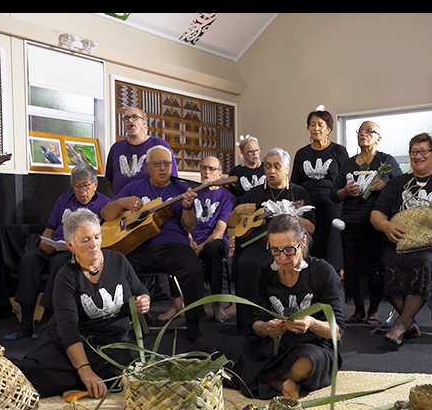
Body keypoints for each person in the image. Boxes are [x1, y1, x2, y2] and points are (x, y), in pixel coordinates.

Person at [201, 214, 344, 399]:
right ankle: (284, 384)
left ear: (303, 242)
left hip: (314, 344)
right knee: (208, 348)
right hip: (277, 346)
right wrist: (267, 328)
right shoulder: (266, 272)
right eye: (275, 250)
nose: (282, 258)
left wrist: (311, 323)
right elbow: (256, 322)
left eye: (289, 250)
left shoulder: (323, 272)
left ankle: (267, 380)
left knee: (305, 363)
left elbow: (338, 331)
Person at [12, 209, 150, 398]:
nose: (94, 245)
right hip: (74, 340)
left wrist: (144, 301)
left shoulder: (118, 261)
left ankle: (76, 375)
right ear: (70, 245)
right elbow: (68, 329)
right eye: (85, 240)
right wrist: (84, 370)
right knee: (40, 376)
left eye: (97, 237)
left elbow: (141, 290)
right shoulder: (66, 276)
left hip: (111, 343)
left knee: (117, 374)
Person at [370, 132, 432, 346]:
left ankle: (402, 323)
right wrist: (386, 225)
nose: (418, 156)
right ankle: (409, 322)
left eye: (424, 151)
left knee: (426, 263)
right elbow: (376, 214)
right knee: (384, 262)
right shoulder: (397, 184)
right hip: (401, 243)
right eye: (414, 151)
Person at [101, 145, 206, 340]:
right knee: (117, 268)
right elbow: (106, 214)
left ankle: (194, 323)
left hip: (174, 245)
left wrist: (188, 206)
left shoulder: (181, 189)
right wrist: (122, 203)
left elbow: (189, 226)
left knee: (192, 268)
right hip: (139, 246)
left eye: (167, 163)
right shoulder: (134, 187)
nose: (163, 168)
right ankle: (134, 322)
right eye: (157, 163)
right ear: (148, 166)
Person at [5, 162, 111, 340]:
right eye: (76, 187)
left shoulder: (105, 204)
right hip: (56, 245)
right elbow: (50, 227)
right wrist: (44, 241)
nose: (81, 191)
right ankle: (26, 321)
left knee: (58, 263)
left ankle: (46, 319)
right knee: (29, 259)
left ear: (95, 184)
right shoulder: (64, 199)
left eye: (85, 185)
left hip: (77, 252)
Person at [227, 147, 316, 333]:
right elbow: (232, 224)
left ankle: (283, 321)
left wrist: (291, 215)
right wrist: (236, 212)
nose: (271, 171)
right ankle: (247, 325)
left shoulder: (298, 193)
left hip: (287, 246)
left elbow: (312, 227)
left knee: (276, 261)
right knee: (246, 262)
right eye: (267, 166)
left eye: (277, 166)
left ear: (287, 169)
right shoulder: (254, 193)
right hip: (256, 244)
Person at [331, 121, 402, 325]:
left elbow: (400, 186)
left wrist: (385, 184)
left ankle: (373, 310)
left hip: (376, 224)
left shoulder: (385, 160)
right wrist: (345, 191)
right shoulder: (348, 164)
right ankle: (358, 309)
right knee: (352, 268)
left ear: (378, 138)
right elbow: (333, 194)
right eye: (361, 131)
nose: (364, 134)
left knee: (376, 267)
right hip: (350, 222)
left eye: (370, 131)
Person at [290, 106, 349, 270]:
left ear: (328, 129)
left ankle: (334, 276)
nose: (316, 128)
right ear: (307, 128)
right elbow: (295, 182)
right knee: (309, 244)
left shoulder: (338, 151)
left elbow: (347, 178)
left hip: (332, 203)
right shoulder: (301, 153)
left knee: (332, 245)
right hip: (308, 205)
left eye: (320, 125)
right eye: (312, 124)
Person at [189, 156, 235, 322]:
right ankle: (183, 305)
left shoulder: (226, 196)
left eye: (211, 169)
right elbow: (184, 222)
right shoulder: (192, 193)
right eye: (203, 168)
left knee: (212, 249)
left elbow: (220, 229)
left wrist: (200, 246)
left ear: (220, 173)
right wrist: (189, 240)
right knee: (175, 247)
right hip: (191, 240)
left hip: (216, 241)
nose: (206, 172)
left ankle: (216, 304)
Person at [105, 106, 178, 194]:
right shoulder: (116, 148)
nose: (130, 120)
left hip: (151, 203)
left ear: (144, 123)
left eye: (135, 117)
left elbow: (172, 177)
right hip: (121, 203)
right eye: (126, 118)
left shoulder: (159, 145)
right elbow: (110, 181)